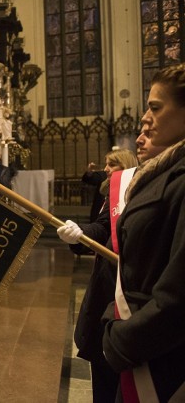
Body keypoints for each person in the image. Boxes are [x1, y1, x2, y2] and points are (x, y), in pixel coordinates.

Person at [101, 63, 185, 401]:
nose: (145, 118)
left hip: (161, 358)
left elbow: (178, 297)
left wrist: (121, 340)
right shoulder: (164, 173)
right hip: (141, 342)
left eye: (155, 107)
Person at [57, 148, 139, 402]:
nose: (105, 168)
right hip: (107, 291)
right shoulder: (112, 191)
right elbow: (103, 226)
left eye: (111, 164)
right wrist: (79, 234)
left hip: (130, 291)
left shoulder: (139, 187)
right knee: (104, 376)